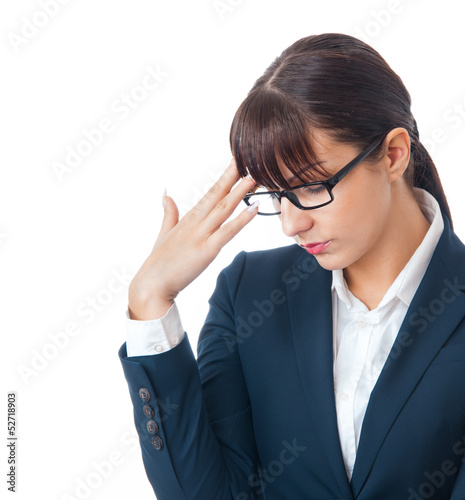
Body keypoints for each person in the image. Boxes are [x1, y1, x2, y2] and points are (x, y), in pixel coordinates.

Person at [118, 33, 465, 499]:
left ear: (393, 154)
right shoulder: (249, 293)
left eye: (310, 187)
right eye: (278, 195)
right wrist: (150, 301)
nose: (291, 224)